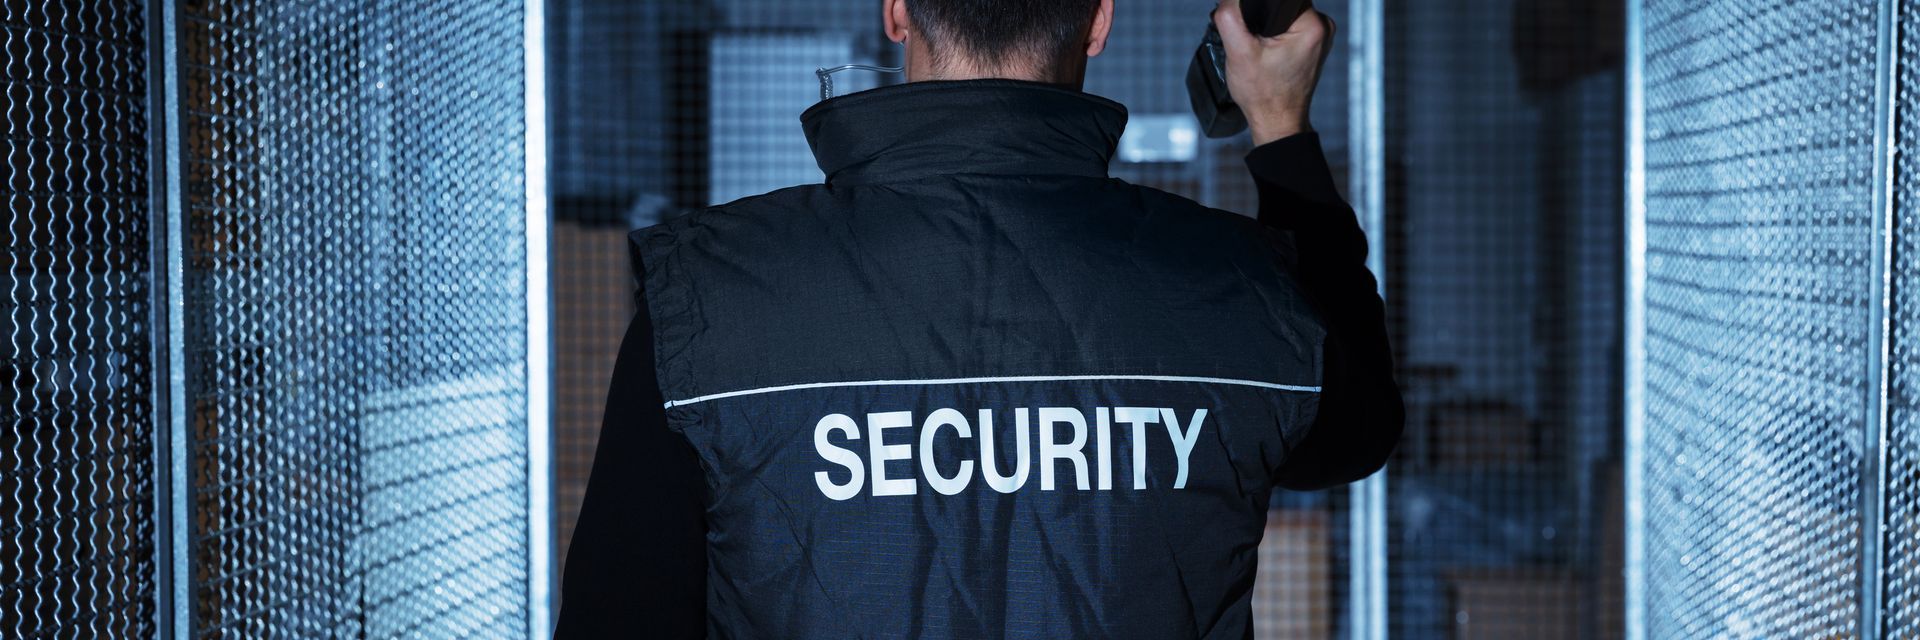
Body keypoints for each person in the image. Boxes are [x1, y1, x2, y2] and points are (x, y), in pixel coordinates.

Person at [556, 0, 1401, 636]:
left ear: (897, 11)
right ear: (1099, 21)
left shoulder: (707, 292)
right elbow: (1358, 431)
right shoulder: (1240, 285)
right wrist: (1282, 130)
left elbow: (618, 612)